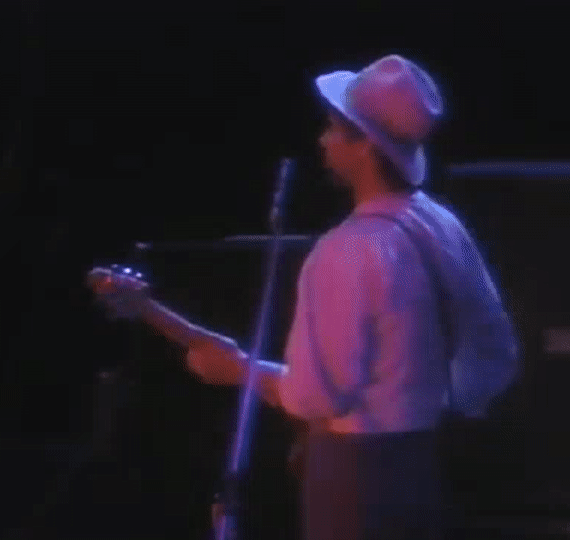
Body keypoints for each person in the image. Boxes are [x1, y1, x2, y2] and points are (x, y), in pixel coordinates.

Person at [183, 54, 519, 540]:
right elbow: (494, 349)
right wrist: (437, 403)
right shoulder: (443, 226)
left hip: (354, 480)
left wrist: (240, 371)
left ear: (364, 146)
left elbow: (315, 396)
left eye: (332, 128)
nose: (322, 140)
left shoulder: (346, 251)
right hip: (424, 467)